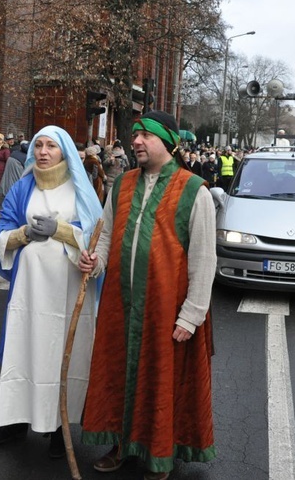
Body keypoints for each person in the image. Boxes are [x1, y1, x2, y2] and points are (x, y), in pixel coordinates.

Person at [78, 111, 216, 480]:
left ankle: (158, 454)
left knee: (159, 380)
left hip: (165, 308)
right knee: (120, 375)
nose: (136, 141)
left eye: (146, 136)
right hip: (120, 305)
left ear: (168, 142)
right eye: (135, 135)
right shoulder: (122, 185)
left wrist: (191, 315)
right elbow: (105, 236)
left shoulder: (193, 190)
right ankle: (122, 445)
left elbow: (204, 259)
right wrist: (96, 261)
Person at [0, 125, 102, 460]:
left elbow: (96, 236)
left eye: (51, 145)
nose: (43, 152)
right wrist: (21, 234)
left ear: (64, 151)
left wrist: (63, 230)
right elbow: (2, 227)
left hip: (66, 289)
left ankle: (58, 425)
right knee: (24, 349)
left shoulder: (81, 190)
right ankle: (15, 419)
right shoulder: (24, 187)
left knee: (61, 351)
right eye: (39, 145)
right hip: (30, 289)